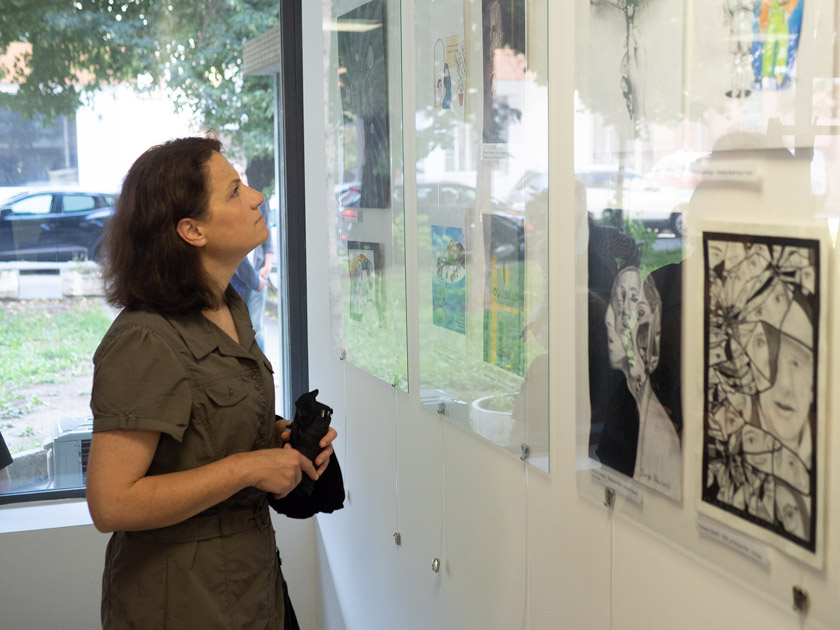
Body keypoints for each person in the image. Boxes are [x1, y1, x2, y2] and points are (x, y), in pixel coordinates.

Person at [85, 136, 336, 630]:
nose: (257, 197)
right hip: (182, 600)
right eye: (235, 191)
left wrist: (282, 439)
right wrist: (247, 467)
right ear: (192, 230)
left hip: (253, 583)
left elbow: (208, 422)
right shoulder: (145, 339)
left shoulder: (229, 307)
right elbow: (111, 503)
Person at [230, 166, 274, 351]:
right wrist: (255, 280)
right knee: (238, 330)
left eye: (242, 173)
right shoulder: (230, 208)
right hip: (237, 280)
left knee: (257, 329)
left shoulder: (259, 202)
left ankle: (261, 366)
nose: (240, 177)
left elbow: (267, 238)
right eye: (235, 174)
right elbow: (235, 251)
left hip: (258, 274)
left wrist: (267, 265)